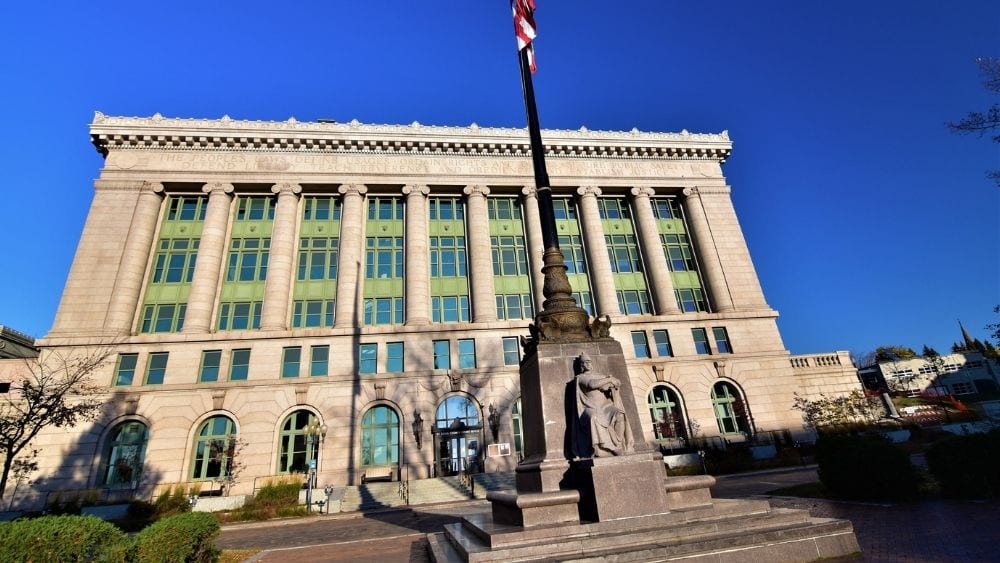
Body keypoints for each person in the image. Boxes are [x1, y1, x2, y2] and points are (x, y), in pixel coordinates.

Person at [574, 353, 631, 457]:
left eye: (589, 362)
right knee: (593, 418)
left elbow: (617, 382)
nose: (588, 364)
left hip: (606, 406)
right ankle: (609, 447)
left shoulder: (600, 375)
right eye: (585, 362)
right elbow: (592, 384)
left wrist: (610, 385)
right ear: (581, 365)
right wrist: (609, 380)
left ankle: (617, 443)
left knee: (619, 414)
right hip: (591, 406)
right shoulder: (581, 378)